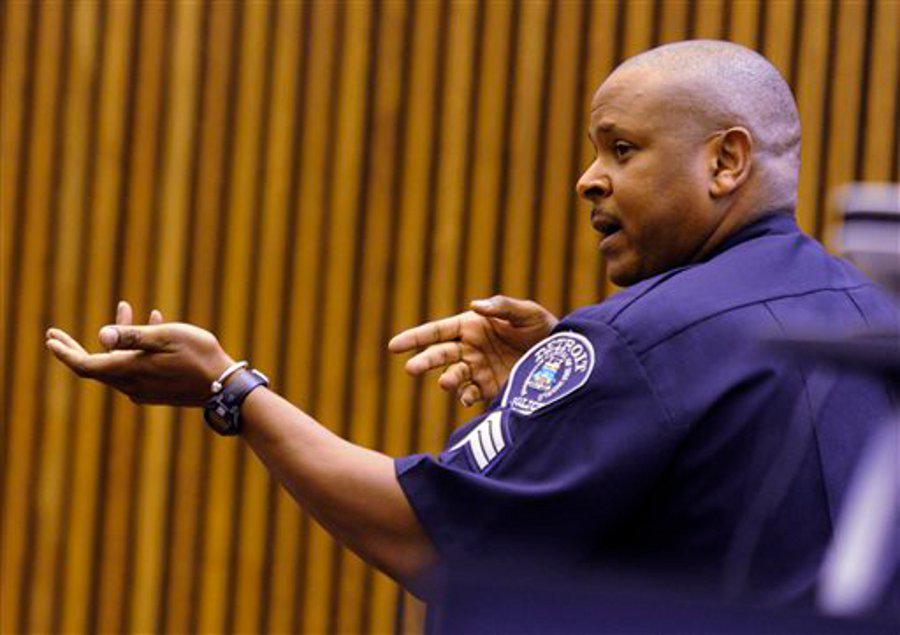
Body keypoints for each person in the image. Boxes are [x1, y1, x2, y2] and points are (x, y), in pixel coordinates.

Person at [46, 40, 897, 614]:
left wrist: (230, 389)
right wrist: (578, 390)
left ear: (725, 160)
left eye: (621, 149)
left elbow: (435, 542)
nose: (587, 180)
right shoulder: (867, 316)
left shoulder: (637, 342)